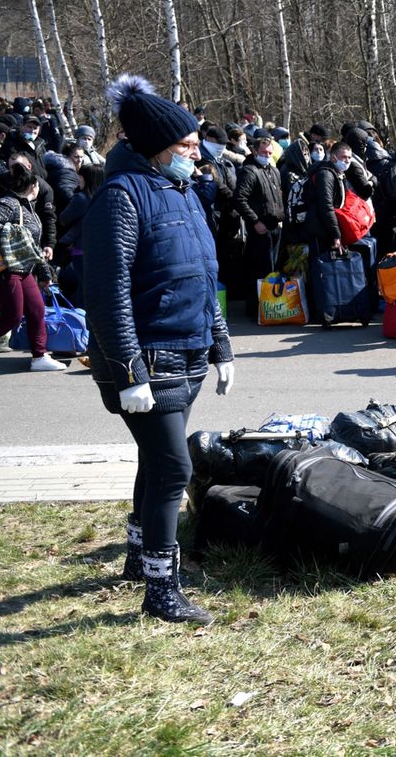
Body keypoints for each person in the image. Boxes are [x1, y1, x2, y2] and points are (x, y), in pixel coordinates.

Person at [82, 75, 233, 624]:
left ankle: (137, 558)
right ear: (157, 148)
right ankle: (161, 590)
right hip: (148, 360)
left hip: (187, 355)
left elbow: (202, 275)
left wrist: (222, 346)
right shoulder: (119, 198)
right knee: (174, 468)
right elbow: (106, 292)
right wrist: (129, 371)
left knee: (157, 460)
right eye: (187, 146)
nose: (197, 154)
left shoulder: (184, 192)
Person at [0, 156, 65, 371]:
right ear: (33, 186)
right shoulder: (8, 203)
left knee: (36, 310)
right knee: (12, 316)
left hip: (25, 269)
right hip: (7, 269)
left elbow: (31, 245)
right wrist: (12, 233)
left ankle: (39, 356)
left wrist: (45, 273)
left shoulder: (29, 208)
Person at [233, 133, 285, 320]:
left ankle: (271, 305)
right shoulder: (249, 171)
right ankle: (256, 308)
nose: (267, 155)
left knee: (273, 269)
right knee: (259, 270)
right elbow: (239, 199)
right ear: (255, 152)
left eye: (270, 152)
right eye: (264, 152)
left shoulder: (273, 170)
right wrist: (255, 221)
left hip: (275, 226)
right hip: (260, 228)